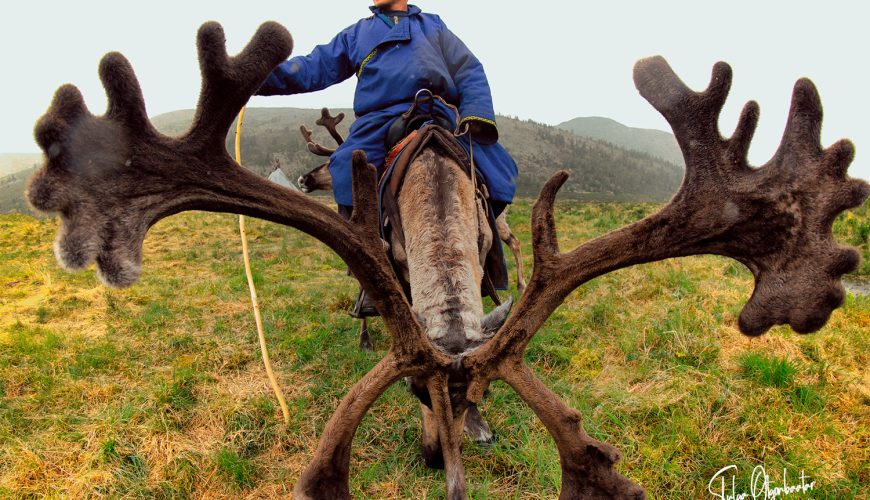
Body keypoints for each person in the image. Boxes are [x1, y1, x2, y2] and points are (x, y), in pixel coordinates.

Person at [256, 0, 518, 217]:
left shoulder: (433, 25)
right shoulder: (355, 35)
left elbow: (468, 68)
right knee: (348, 173)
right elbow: (314, 67)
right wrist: (256, 76)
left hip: (439, 113)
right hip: (380, 122)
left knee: (498, 171)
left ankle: (487, 254)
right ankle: (365, 255)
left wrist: (475, 114)